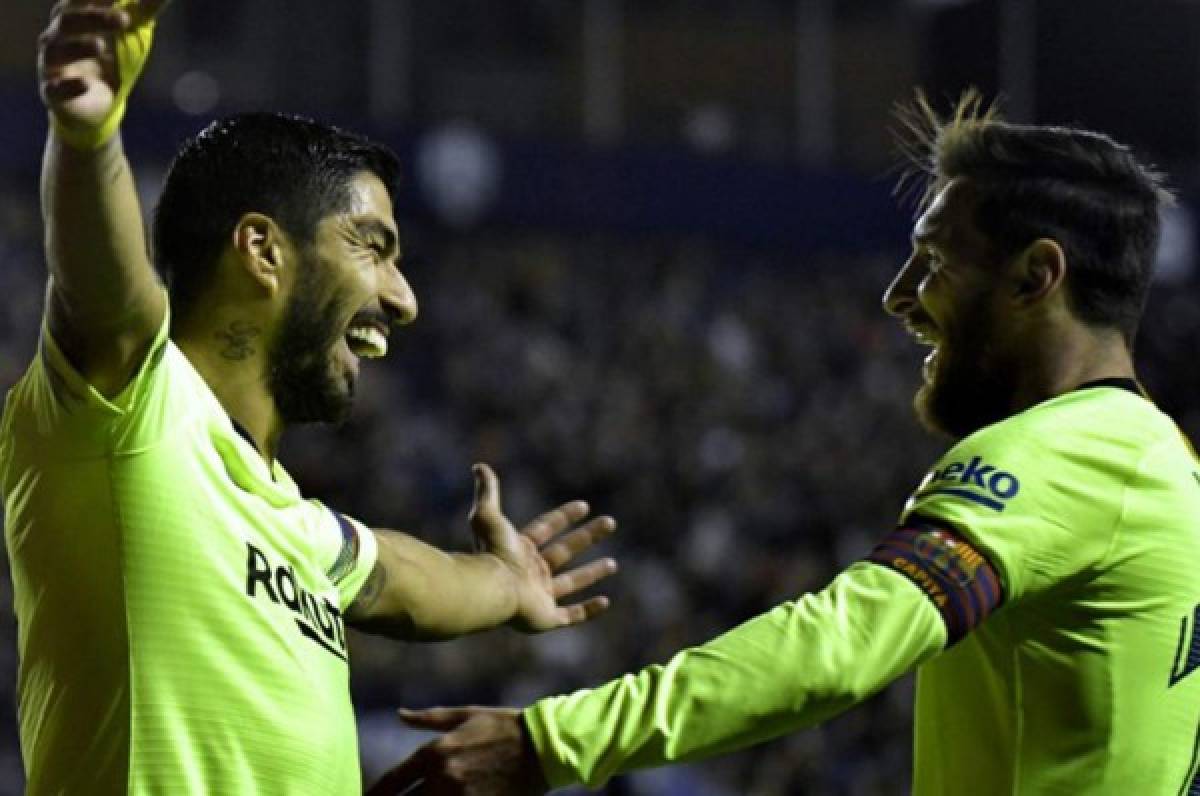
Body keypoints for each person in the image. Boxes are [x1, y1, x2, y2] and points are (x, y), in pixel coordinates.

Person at [375, 92, 1200, 795]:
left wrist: (553, 742)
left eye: (932, 262)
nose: (897, 297)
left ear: (1035, 276)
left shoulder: (1066, 452)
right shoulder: (1163, 461)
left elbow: (842, 644)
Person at [4, 1, 617, 793]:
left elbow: (402, 579)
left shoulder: (294, 524)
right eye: (374, 248)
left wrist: (507, 584)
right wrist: (88, 138)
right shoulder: (134, 412)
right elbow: (104, 289)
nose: (404, 299)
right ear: (262, 250)